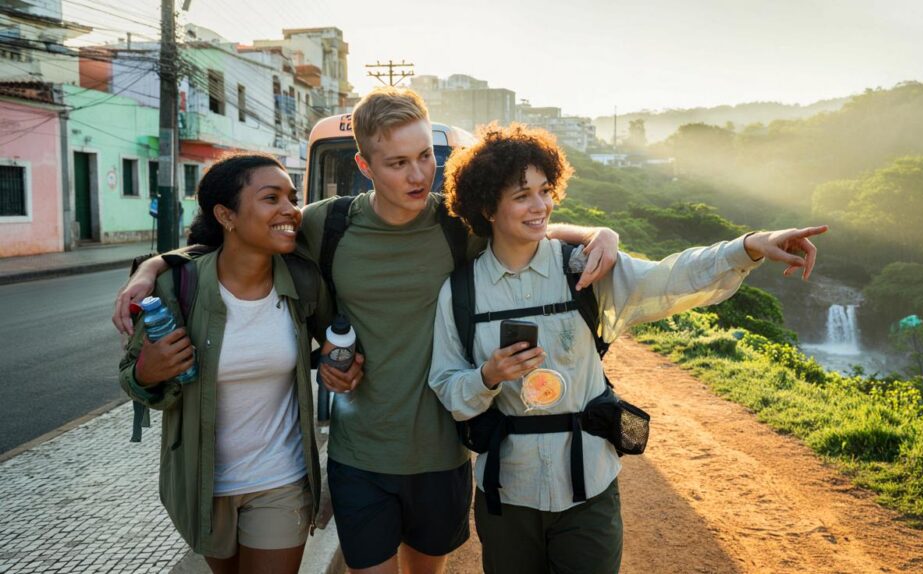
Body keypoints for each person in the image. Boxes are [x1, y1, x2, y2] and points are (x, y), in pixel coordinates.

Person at [113, 87, 620, 574]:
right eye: (398, 163)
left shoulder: (456, 225)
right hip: (360, 455)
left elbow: (530, 228)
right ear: (365, 166)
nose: (419, 174)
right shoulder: (325, 225)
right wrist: (152, 266)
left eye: (425, 156)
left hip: (442, 452)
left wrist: (601, 233)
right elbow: (241, 242)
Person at [428, 124, 828, 573]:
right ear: (487, 206)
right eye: (522, 195)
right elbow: (446, 387)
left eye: (545, 190)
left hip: (590, 489)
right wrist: (488, 377)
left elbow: (669, 278)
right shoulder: (462, 293)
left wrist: (748, 247)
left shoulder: (584, 269)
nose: (540, 206)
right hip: (507, 493)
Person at [119, 154, 333, 574]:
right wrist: (149, 370)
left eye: (291, 197)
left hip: (282, 481)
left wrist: (340, 365)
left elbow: (336, 343)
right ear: (226, 215)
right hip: (204, 485)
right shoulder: (177, 286)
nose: (290, 209)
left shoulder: (303, 281)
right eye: (271, 198)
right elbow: (132, 380)